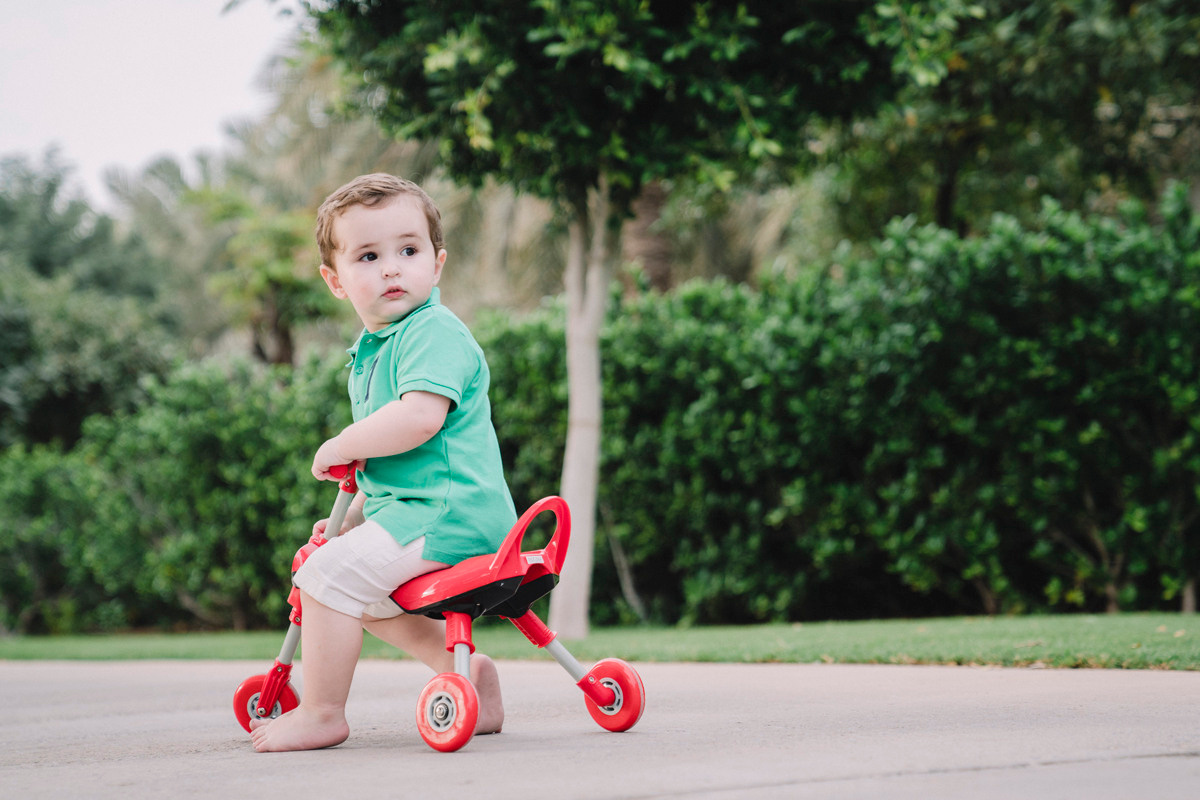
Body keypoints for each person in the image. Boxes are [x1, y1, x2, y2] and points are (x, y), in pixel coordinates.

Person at [250, 173, 516, 753]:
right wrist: (356, 520)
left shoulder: (432, 331)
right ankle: (466, 673)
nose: (392, 268)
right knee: (362, 596)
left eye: (409, 250)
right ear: (335, 281)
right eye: (369, 256)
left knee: (321, 577)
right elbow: (400, 466)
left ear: (437, 264)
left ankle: (322, 713)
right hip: (426, 509)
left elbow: (420, 421)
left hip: (450, 514)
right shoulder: (377, 352)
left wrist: (343, 443)